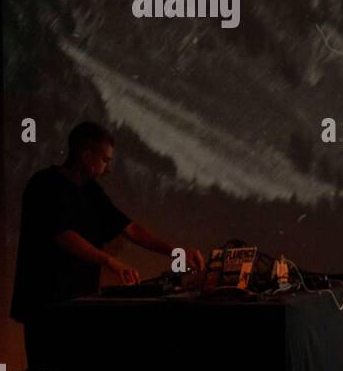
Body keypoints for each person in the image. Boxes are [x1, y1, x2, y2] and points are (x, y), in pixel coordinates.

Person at [11, 121, 205, 353]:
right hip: (45, 306)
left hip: (80, 303)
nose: (108, 168)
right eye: (105, 160)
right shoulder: (44, 185)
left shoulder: (92, 192)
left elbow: (130, 229)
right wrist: (110, 262)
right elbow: (63, 235)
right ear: (85, 154)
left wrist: (177, 252)